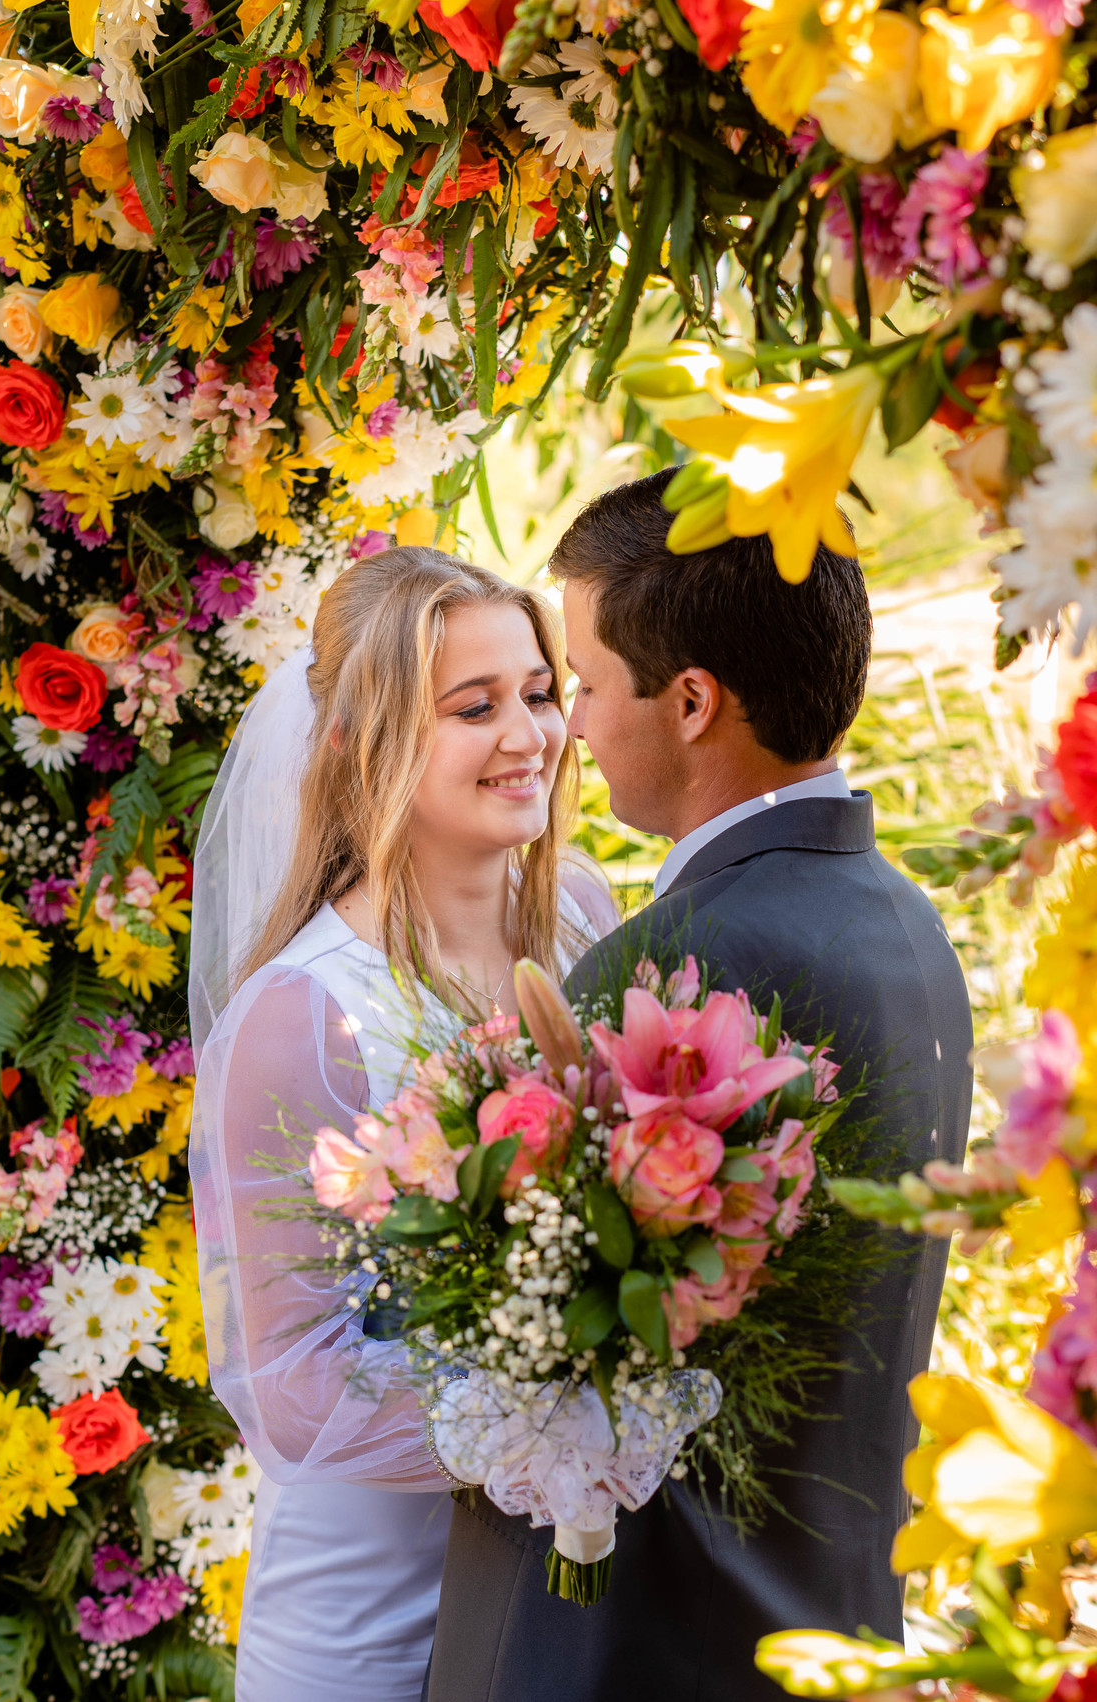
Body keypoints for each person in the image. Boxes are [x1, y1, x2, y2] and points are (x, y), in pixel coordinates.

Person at [424, 473, 974, 1702]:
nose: (568, 726)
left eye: (582, 682)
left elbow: (542, 1354)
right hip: (818, 1608)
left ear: (688, 701)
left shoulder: (678, 965)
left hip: (636, 1643)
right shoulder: (904, 923)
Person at [187, 546, 619, 1702]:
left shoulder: (583, 919)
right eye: (475, 708)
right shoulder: (304, 1013)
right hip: (368, 1627)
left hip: (558, 1608)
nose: (528, 734)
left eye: (539, 692)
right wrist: (568, 1420)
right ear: (361, 742)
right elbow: (295, 1389)